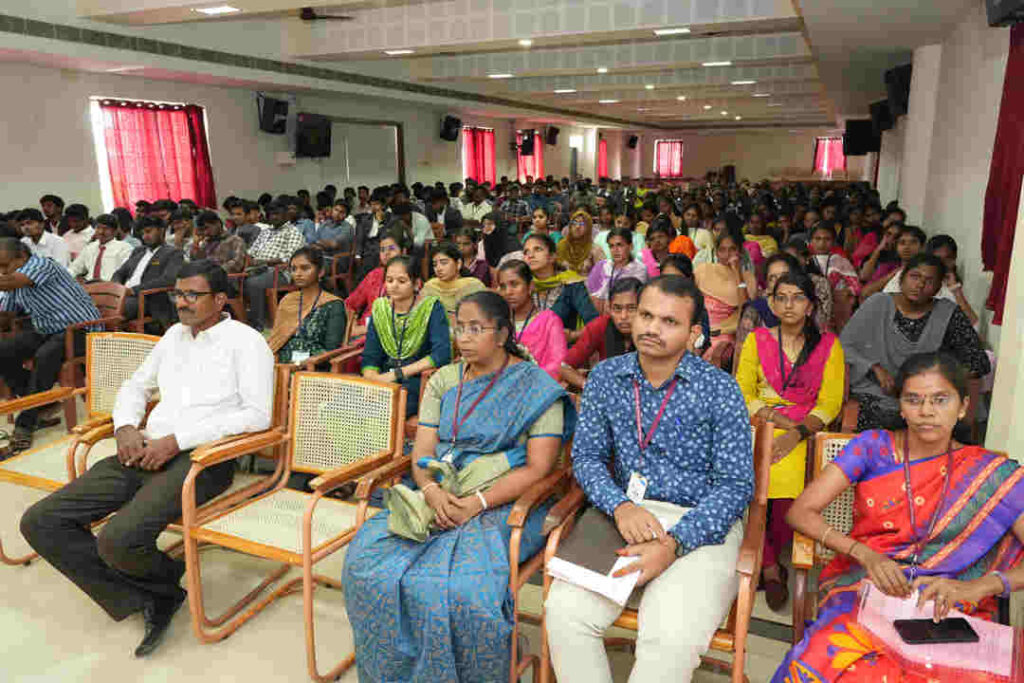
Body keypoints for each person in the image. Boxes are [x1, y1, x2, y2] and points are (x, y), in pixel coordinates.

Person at [19, 260, 274, 658]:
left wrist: (177, 441)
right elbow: (136, 385)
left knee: (118, 539)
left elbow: (258, 416)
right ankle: (157, 588)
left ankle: (154, 583)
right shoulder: (174, 335)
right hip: (143, 448)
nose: (182, 302)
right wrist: (124, 427)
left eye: (193, 295)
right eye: (178, 294)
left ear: (220, 299)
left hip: (203, 460)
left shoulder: (247, 342)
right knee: (41, 521)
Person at [342, 291, 575, 682]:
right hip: (438, 491)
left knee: (461, 591)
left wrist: (477, 502)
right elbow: (424, 452)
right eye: (459, 328)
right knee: (366, 566)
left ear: (502, 335)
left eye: (475, 329)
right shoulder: (445, 381)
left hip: (504, 500)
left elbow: (539, 468)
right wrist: (431, 491)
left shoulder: (537, 388)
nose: (463, 337)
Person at [546, 275, 754, 683]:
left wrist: (674, 545)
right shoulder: (606, 377)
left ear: (695, 332)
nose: (651, 328)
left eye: (669, 321)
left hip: (700, 524)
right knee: (564, 614)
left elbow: (734, 486)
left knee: (668, 638)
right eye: (645, 315)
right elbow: (587, 457)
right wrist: (620, 506)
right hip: (623, 514)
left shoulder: (720, 390)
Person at [771, 352, 1024, 683]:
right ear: (901, 407)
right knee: (841, 662)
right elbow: (801, 511)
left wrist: (980, 587)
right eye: (914, 400)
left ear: (962, 407)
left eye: (940, 399)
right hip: (865, 587)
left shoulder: (991, 474)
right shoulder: (873, 447)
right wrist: (865, 554)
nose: (927, 411)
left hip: (954, 601)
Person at [735, 271, 845, 611]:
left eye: (797, 297)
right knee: (745, 483)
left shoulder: (829, 345)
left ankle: (767, 559)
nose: (788, 305)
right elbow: (742, 390)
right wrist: (776, 420)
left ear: (810, 305)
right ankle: (770, 567)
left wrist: (796, 433)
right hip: (760, 421)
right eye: (781, 297)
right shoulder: (758, 339)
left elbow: (830, 403)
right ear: (771, 302)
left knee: (786, 497)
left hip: (804, 431)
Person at [841, 254, 990, 433]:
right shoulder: (877, 303)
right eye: (915, 277)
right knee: (876, 424)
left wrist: (935, 381)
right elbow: (844, 346)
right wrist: (874, 367)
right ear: (902, 278)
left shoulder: (947, 313)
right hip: (876, 393)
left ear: (938, 288)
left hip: (927, 397)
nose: (919, 285)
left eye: (929, 281)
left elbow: (977, 362)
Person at [0, 239, 103, 456]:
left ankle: (25, 424)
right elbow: (5, 315)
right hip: (46, 331)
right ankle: (41, 405)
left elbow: (10, 282)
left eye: (4, 265)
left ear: (21, 257)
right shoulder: (11, 281)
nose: (2, 272)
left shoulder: (42, 265)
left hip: (81, 330)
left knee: (45, 355)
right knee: (4, 350)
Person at [362, 255, 451, 417]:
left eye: (402, 281)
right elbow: (370, 357)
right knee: (344, 407)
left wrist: (396, 374)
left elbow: (442, 354)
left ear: (416, 284)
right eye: (389, 280)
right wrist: (374, 382)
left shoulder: (431, 308)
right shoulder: (380, 309)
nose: (394, 286)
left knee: (380, 412)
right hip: (382, 380)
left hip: (417, 381)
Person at [266, 246, 347, 364]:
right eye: (293, 269)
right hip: (282, 366)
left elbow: (332, 350)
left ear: (321, 272)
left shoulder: (333, 305)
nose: (298, 274)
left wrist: (306, 363)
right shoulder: (288, 301)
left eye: (305, 268)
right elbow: (276, 341)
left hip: (313, 369)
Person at [559, 276, 643, 390]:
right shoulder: (601, 326)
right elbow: (564, 367)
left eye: (631, 308)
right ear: (609, 308)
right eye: (617, 309)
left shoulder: (652, 330)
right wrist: (591, 388)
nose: (623, 316)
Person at [496, 259, 567, 379]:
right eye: (503, 286)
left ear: (530, 286)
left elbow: (557, 365)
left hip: (540, 388)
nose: (508, 292)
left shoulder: (549, 321)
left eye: (514, 284)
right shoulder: (498, 322)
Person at [111, 216, 185, 331]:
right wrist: (117, 287)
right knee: (98, 305)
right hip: (124, 295)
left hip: (148, 299)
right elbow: (120, 273)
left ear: (161, 231)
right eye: (143, 233)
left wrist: (133, 290)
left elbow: (168, 280)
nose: (145, 236)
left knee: (111, 310)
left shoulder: (173, 253)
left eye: (149, 231)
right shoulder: (138, 251)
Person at [694, 230, 758, 362]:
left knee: (716, 352)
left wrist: (736, 273)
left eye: (732, 249)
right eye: (722, 250)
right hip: (700, 328)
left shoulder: (747, 277)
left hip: (725, 333)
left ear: (739, 251)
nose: (727, 255)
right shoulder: (703, 270)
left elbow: (745, 310)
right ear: (716, 253)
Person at [244, 200, 305, 330]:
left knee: (253, 283)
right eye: (271, 214)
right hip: (258, 268)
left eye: (277, 214)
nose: (273, 217)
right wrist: (249, 260)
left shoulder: (292, 231)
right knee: (237, 280)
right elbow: (251, 252)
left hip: (281, 273)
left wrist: (264, 262)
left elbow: (291, 258)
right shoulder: (266, 232)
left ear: (286, 215)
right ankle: (248, 318)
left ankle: (258, 325)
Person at [524, 233, 599, 338]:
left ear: (552, 257)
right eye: (526, 251)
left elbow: (595, 322)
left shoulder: (571, 284)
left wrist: (573, 335)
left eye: (537, 249)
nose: (530, 255)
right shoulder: (524, 286)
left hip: (565, 349)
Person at [345, 229, 409, 339]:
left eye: (392, 249)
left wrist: (363, 329)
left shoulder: (410, 278)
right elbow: (350, 304)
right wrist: (353, 324)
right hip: (361, 332)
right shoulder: (374, 275)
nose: (386, 253)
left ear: (403, 251)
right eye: (382, 250)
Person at [421, 241, 487, 329]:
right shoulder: (430, 287)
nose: (439, 268)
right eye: (435, 264)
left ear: (458, 264)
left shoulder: (473, 286)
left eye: (444, 263)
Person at [807, 223, 860, 330]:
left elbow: (856, 287)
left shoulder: (840, 261)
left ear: (833, 242)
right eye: (818, 239)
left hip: (837, 309)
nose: (822, 243)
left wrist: (845, 292)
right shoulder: (806, 262)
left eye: (827, 239)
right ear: (811, 241)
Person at [585, 227, 649, 313]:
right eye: (611, 246)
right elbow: (588, 293)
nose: (615, 250)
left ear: (630, 247)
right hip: (597, 313)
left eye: (619, 245)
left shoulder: (639, 269)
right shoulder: (602, 266)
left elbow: (626, 297)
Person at [68, 213, 133, 281]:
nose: (101, 232)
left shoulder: (124, 248)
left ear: (115, 231)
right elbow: (74, 268)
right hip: (89, 285)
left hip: (110, 286)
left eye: (106, 229)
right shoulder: (90, 247)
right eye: (98, 227)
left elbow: (125, 273)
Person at [556, 210, 604, 276]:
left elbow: (602, 274)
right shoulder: (561, 245)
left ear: (589, 228)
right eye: (574, 222)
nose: (577, 226)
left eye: (582, 224)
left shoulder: (594, 249)